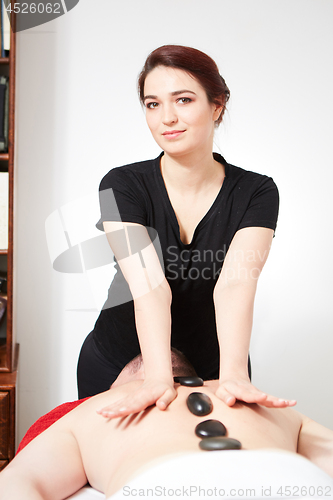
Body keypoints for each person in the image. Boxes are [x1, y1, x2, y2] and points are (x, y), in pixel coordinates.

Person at [77, 44, 296, 415]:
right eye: (152, 104)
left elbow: (235, 285)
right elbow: (149, 285)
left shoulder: (257, 192)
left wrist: (232, 376)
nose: (167, 118)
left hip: (212, 366)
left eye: (183, 100)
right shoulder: (121, 185)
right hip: (117, 357)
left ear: (217, 105)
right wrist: (157, 379)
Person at [2, 350, 333, 500]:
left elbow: (18, 484)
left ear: (122, 386)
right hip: (292, 482)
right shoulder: (267, 403)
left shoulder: (95, 409)